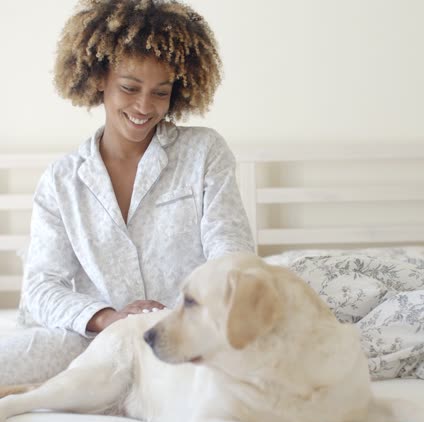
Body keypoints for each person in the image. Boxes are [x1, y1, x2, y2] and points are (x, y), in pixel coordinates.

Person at [0, 0, 254, 385]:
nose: (144, 106)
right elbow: (41, 286)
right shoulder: (61, 180)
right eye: (130, 88)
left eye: (160, 93)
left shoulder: (204, 153)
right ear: (100, 78)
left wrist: (172, 317)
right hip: (94, 340)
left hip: (192, 337)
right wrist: (110, 319)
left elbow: (232, 256)